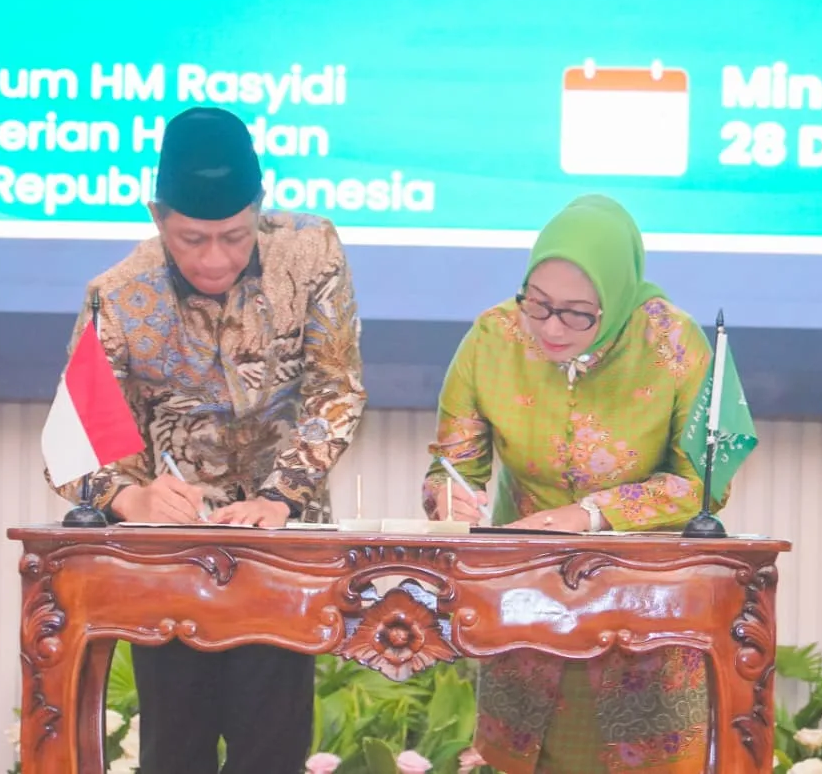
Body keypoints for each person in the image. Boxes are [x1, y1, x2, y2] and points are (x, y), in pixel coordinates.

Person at [46, 106, 367, 773]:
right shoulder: (119, 297)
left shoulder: (311, 253)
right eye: (192, 239)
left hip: (282, 550)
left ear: (259, 209)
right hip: (171, 557)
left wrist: (280, 496)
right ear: (157, 216)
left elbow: (336, 388)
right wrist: (132, 500)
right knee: (175, 751)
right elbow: (71, 449)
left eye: (235, 236)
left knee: (273, 751)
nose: (214, 259)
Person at [422, 194, 715, 773]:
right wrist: (446, 497)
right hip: (527, 600)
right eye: (538, 303)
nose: (551, 327)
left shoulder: (673, 344)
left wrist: (589, 514)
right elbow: (451, 465)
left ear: (617, 297)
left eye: (578, 313)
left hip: (642, 606)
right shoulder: (494, 336)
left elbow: (701, 484)